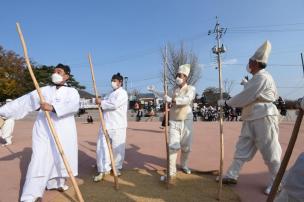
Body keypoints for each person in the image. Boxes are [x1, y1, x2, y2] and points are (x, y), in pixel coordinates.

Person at [0, 64, 80, 201]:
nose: (55, 73)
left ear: (66, 76)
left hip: (64, 132)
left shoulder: (72, 92)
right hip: (43, 131)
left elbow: (73, 106)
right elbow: (23, 102)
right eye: (54, 71)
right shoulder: (43, 90)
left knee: (61, 158)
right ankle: (30, 195)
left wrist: (53, 107)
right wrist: (2, 112)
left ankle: (55, 183)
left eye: (59, 72)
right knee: (39, 160)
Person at [218, 40, 281, 195]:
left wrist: (226, 102)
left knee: (270, 150)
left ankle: (276, 182)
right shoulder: (257, 78)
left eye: (250, 62)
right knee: (243, 147)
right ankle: (232, 174)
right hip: (251, 116)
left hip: (263, 116)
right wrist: (246, 83)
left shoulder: (263, 77)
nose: (248, 64)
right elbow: (251, 92)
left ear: (256, 63)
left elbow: (247, 96)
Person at [160, 64, 196, 182]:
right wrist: (155, 91)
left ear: (185, 77)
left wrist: (173, 100)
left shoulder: (191, 88)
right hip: (174, 120)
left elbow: (187, 99)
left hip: (186, 120)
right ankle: (171, 171)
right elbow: (165, 96)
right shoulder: (173, 90)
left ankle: (184, 165)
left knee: (186, 146)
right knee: (173, 146)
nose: (178, 78)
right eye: (177, 75)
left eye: (180, 76)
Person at [94, 73, 128, 182]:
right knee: (102, 147)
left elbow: (114, 105)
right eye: (112, 80)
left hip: (118, 125)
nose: (113, 82)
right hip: (106, 124)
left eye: (116, 80)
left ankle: (116, 167)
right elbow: (104, 104)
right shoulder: (109, 94)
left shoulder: (123, 93)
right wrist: (99, 102)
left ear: (120, 82)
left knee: (117, 148)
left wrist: (102, 102)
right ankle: (104, 168)